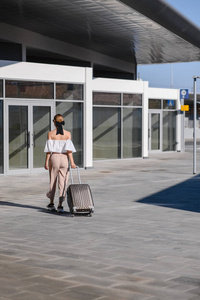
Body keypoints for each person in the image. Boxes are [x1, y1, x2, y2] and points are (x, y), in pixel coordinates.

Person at [44, 114, 76, 212]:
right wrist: (72, 162)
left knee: (53, 180)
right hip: (64, 158)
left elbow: (49, 150)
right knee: (63, 182)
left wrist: (46, 162)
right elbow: (69, 151)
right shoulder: (67, 134)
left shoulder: (51, 133)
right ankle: (60, 205)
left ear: (54, 122)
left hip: (54, 157)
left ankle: (51, 203)